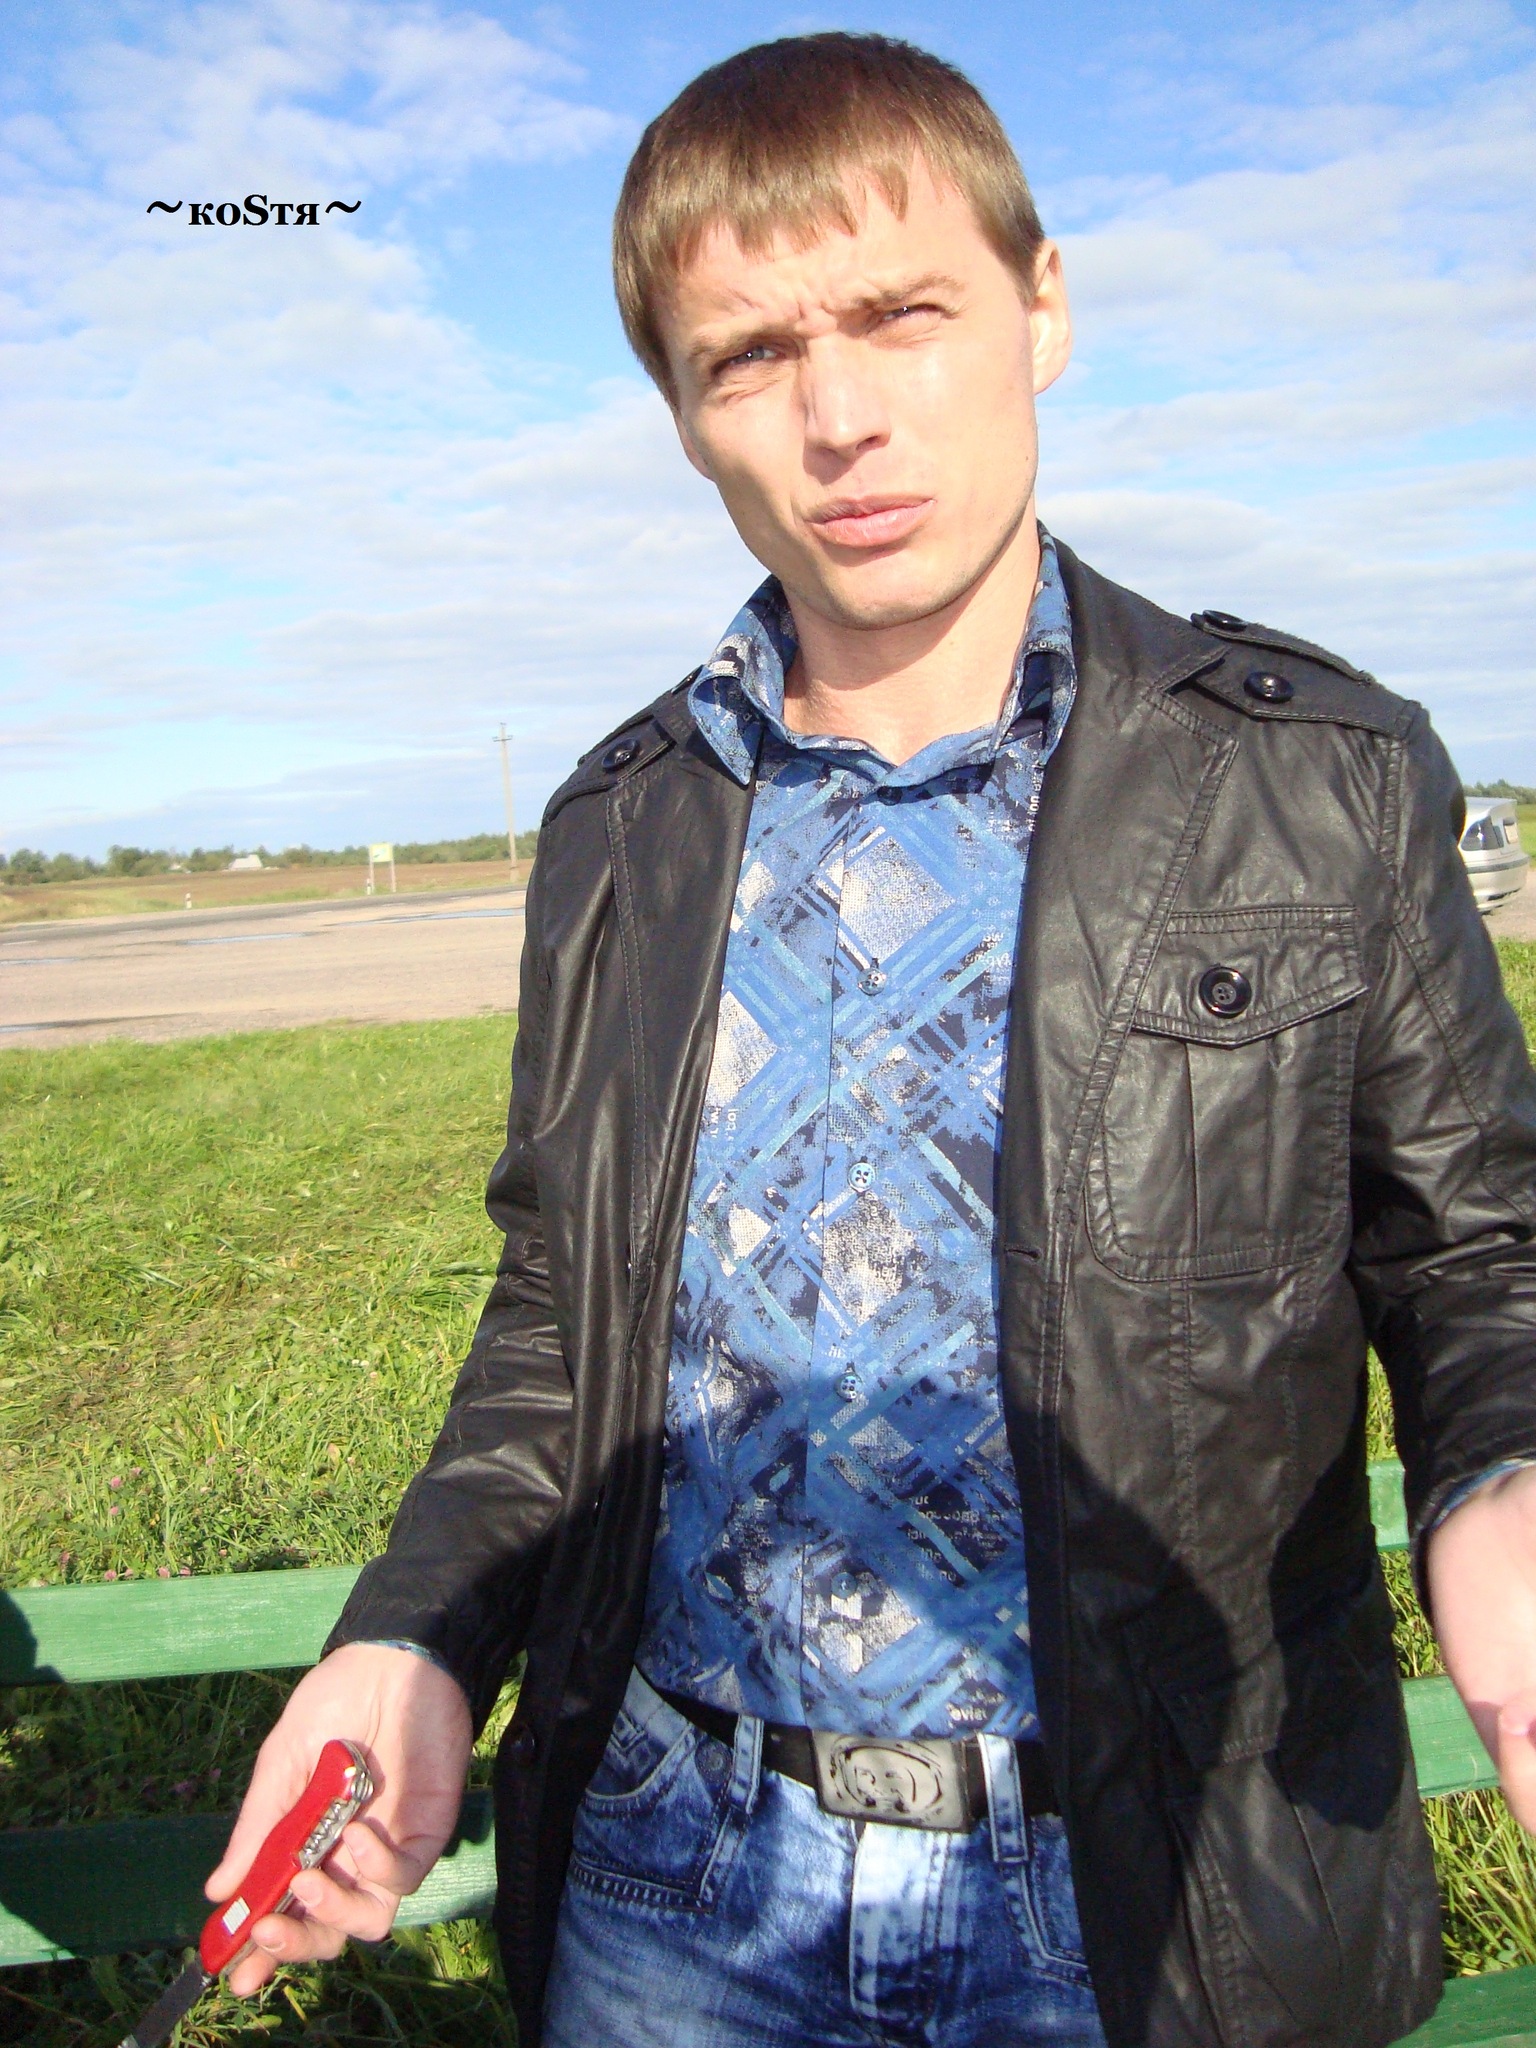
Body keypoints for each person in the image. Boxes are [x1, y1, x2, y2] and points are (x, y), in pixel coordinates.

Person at [205, 32, 1536, 2048]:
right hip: (676, 1898)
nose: (839, 418)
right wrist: (412, 1638)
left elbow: (1479, 1259)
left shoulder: (1318, 779)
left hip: (1150, 1889)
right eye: (748, 356)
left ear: (1041, 308)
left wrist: (1502, 1478)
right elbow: (565, 1316)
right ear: (683, 417)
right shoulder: (622, 828)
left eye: (904, 313)